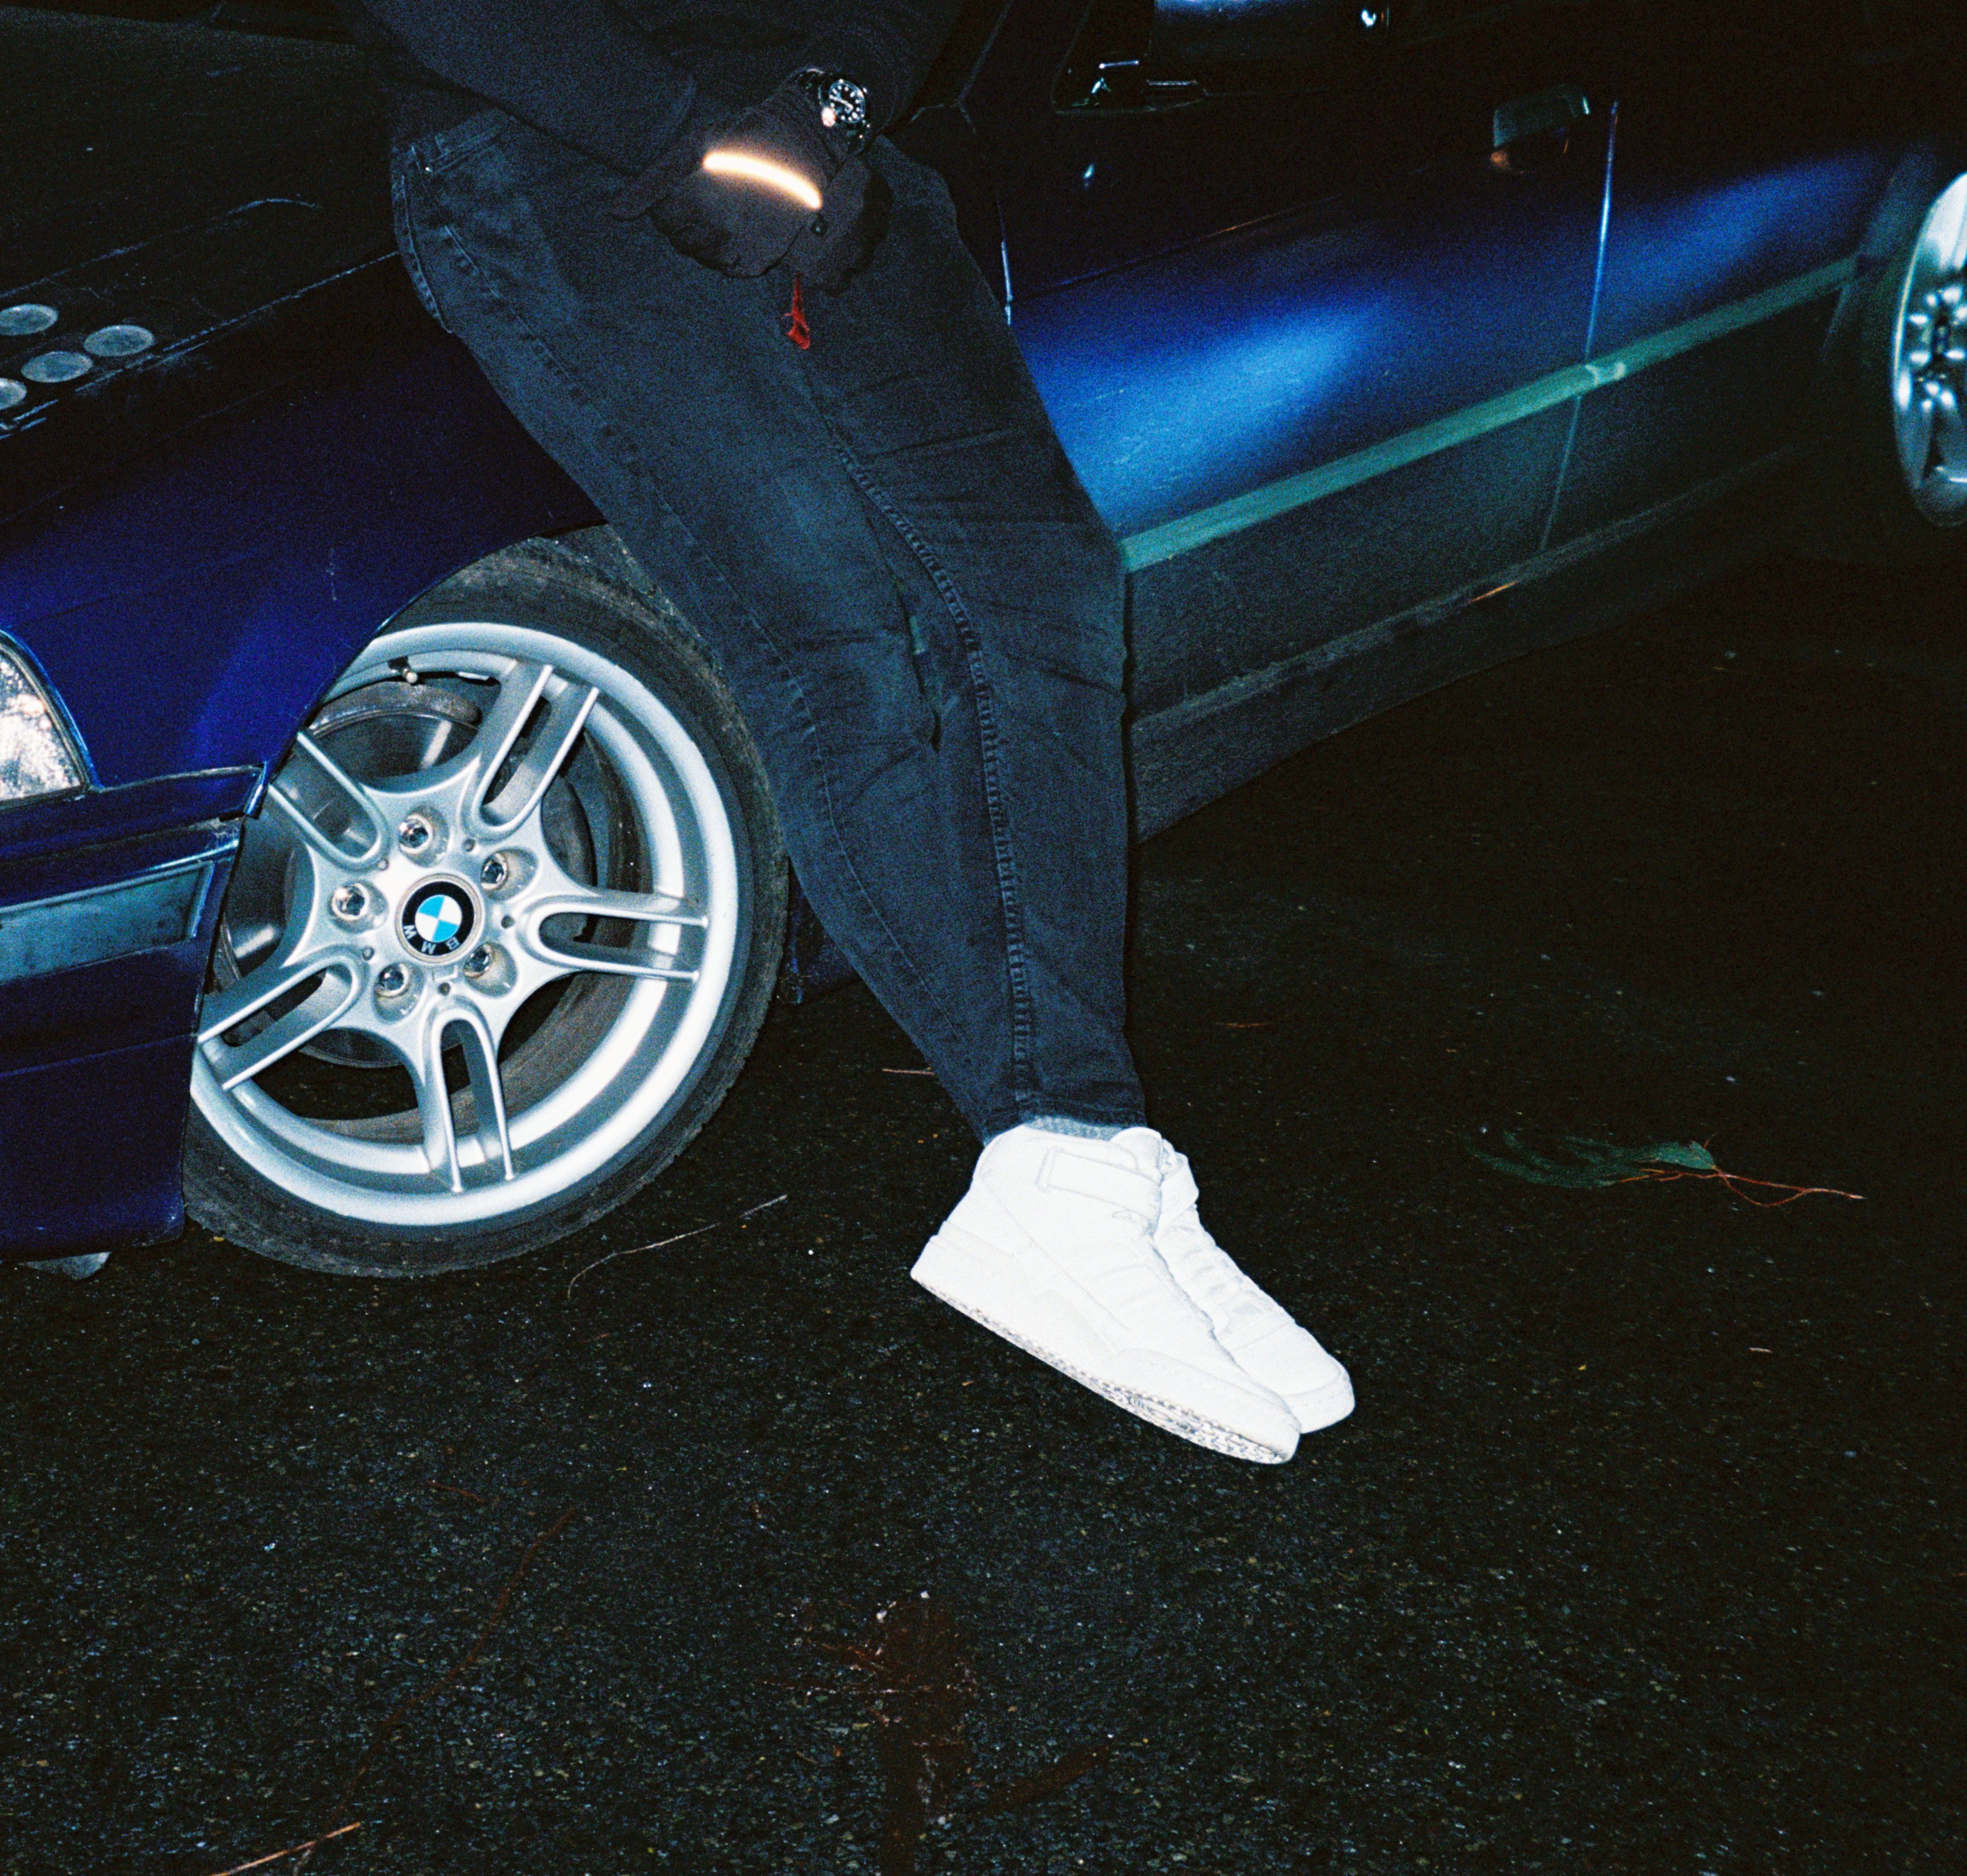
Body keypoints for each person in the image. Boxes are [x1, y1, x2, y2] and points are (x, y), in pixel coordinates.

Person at [329, 1, 1350, 1463]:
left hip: (828, 145)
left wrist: (834, 91)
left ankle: (1091, 1156)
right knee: (839, 641)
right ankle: (1067, 1148)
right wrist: (680, 130)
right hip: (560, 147)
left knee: (1044, 588)